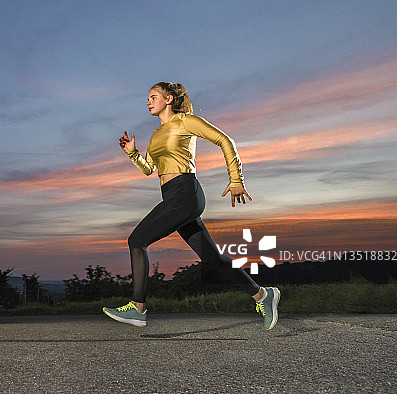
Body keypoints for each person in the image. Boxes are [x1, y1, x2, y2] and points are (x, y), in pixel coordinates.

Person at [102, 82, 280, 330]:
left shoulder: (186, 121)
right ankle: (263, 295)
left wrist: (236, 179)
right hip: (172, 196)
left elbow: (225, 140)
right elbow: (150, 170)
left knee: (137, 240)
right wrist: (133, 154)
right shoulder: (155, 135)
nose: (148, 101)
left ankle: (138, 307)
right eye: (147, 98)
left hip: (186, 193)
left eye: (153, 96)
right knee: (213, 259)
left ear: (169, 98)